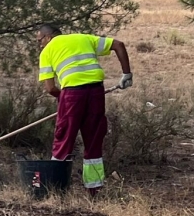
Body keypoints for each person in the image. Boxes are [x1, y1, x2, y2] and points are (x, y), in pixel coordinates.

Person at [36, 24, 132, 195]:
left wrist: (64, 100)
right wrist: (127, 74)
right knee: (94, 139)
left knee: (64, 138)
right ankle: (94, 190)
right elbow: (119, 45)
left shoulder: (47, 51)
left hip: (72, 94)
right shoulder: (83, 38)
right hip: (96, 92)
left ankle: (55, 188)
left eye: (39, 40)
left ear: (48, 37)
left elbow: (50, 88)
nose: (39, 45)